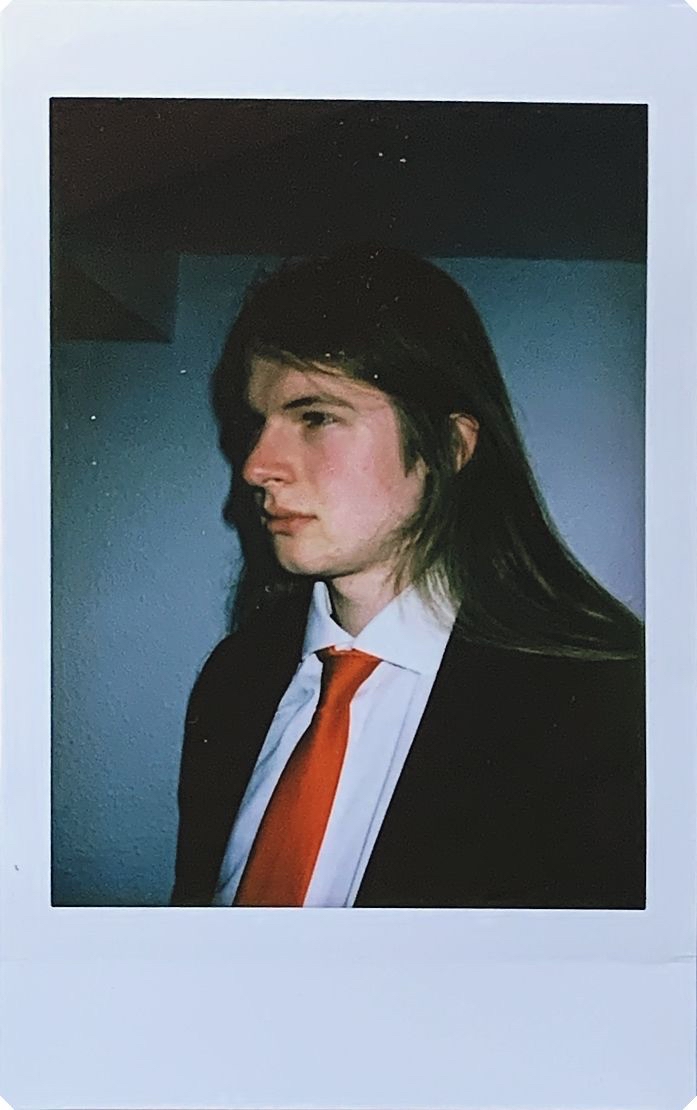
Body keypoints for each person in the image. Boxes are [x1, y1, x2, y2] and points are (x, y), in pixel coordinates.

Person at [171, 244, 645, 910]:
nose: (255, 466)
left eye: (316, 417)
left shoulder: (605, 710)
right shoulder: (233, 680)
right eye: (256, 424)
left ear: (448, 446)